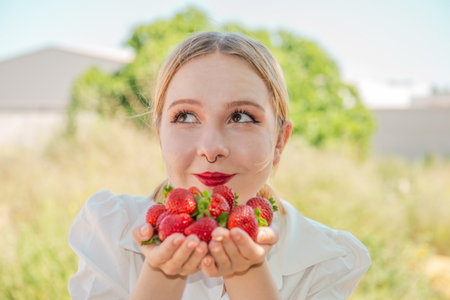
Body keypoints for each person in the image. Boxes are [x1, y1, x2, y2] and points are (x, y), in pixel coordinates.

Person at [68, 31, 371, 300]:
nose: (211, 148)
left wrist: (248, 273)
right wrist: (161, 272)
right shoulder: (108, 233)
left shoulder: (325, 259)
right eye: (185, 116)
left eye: (240, 117)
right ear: (160, 133)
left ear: (280, 140)